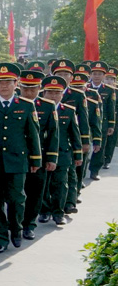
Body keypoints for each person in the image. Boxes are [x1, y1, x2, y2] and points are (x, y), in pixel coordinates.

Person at [0, 63, 41, 253]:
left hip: (17, 161)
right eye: (0, 82)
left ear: (15, 83)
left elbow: (33, 134)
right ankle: (0, 238)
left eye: (8, 82)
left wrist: (36, 159)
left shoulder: (26, 105)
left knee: (16, 199)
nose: (4, 86)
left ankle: (16, 229)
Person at [18, 70, 59, 240]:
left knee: (35, 193)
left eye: (33, 89)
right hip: (16, 157)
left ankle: (29, 224)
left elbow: (53, 134)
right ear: (19, 87)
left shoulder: (47, 106)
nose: (29, 92)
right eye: (25, 88)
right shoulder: (14, 104)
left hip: (38, 157)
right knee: (15, 194)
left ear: (39, 88)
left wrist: (51, 158)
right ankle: (15, 223)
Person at [37, 75, 82, 226]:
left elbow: (74, 134)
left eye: (57, 93)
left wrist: (78, 154)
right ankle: (44, 211)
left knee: (60, 184)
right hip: (42, 152)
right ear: (43, 93)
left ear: (62, 95)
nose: (53, 96)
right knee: (43, 183)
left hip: (62, 153)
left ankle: (58, 212)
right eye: (50, 92)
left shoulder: (68, 111)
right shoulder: (36, 109)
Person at [51, 59, 90, 213]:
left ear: (71, 77)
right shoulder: (45, 94)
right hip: (50, 141)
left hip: (70, 139)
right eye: (59, 73)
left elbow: (83, 119)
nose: (63, 76)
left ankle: (70, 202)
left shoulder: (78, 95)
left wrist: (84, 141)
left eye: (66, 74)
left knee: (72, 172)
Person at [88, 61, 115, 180]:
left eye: (99, 74)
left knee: (99, 147)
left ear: (104, 75)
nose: (97, 76)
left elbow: (111, 108)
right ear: (90, 75)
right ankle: (81, 171)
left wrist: (111, 125)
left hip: (102, 123)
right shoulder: (85, 88)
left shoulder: (109, 90)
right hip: (87, 122)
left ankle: (94, 171)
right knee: (84, 146)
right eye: (94, 73)